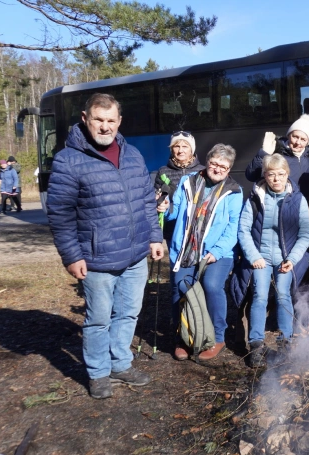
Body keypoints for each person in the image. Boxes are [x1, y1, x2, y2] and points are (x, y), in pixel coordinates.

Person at [46, 93, 165, 399]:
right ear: (85, 119)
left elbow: (146, 203)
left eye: (110, 120)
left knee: (128, 314)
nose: (104, 127)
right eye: (98, 119)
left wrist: (154, 236)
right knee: (98, 319)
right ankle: (99, 372)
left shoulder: (133, 155)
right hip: (96, 258)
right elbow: (60, 215)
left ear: (119, 122)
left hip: (136, 255)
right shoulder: (68, 160)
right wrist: (71, 255)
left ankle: (120, 363)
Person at [159, 143, 243, 361]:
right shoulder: (189, 182)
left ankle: (217, 337)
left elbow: (234, 227)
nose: (217, 169)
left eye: (223, 167)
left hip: (219, 252)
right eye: (214, 163)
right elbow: (174, 212)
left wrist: (217, 251)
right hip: (186, 249)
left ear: (229, 169)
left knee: (212, 285)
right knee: (180, 289)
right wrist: (165, 207)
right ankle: (183, 339)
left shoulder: (234, 191)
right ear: (207, 162)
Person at [237, 154, 309, 366]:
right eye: (271, 175)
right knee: (259, 295)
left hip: (284, 259)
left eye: (280, 174)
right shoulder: (255, 197)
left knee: (283, 296)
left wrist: (293, 259)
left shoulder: (297, 200)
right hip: (260, 258)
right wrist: (253, 256)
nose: (276, 179)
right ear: (265, 176)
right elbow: (243, 230)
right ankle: (256, 345)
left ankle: (286, 341)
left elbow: (305, 234)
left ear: (287, 175)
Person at [246, 114, 309, 201]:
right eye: (295, 137)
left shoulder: (308, 157)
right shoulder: (275, 152)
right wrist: (263, 154)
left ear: (307, 142)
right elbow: (251, 175)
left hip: (301, 205)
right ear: (289, 135)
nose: (298, 142)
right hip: (278, 204)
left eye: (303, 139)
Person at [154, 131, 205, 244]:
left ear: (192, 149)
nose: (180, 150)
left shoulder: (202, 171)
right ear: (172, 149)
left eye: (185, 146)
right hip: (172, 228)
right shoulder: (163, 171)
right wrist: (159, 201)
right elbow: (157, 196)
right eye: (176, 146)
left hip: (196, 227)